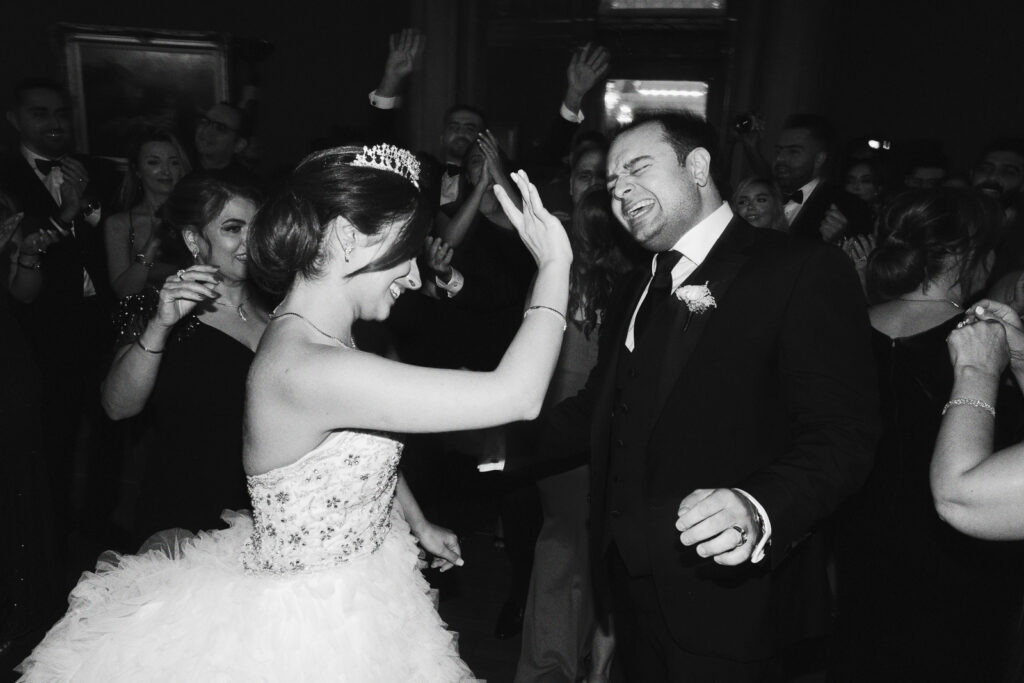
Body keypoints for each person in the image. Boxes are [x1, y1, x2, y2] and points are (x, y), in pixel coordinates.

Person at [18, 144, 572, 681]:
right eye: (405, 258)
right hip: (312, 626)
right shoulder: (309, 365)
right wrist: (554, 263)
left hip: (361, 591)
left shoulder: (315, 338)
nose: (411, 277)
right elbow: (516, 396)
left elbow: (358, 441)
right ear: (351, 240)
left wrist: (417, 520)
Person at [530, 112, 879, 680]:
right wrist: (497, 435)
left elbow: (844, 434)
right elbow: (602, 407)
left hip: (735, 597)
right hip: (631, 585)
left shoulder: (798, 269)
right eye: (612, 182)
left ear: (697, 166)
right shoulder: (634, 284)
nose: (620, 190)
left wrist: (761, 507)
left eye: (638, 168)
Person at [830, 189, 1022, 682]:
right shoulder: (982, 346)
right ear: (963, 255)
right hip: (961, 560)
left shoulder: (845, 328)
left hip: (856, 548)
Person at [100, 176, 265, 544]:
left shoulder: (281, 308)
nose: (249, 242)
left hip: (265, 511)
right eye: (233, 229)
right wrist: (160, 325)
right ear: (193, 240)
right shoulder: (156, 307)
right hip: (188, 514)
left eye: (257, 228)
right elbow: (117, 406)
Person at [515, 187, 633, 683]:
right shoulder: (622, 286)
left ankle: (560, 667)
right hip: (579, 436)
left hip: (562, 432)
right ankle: (558, 668)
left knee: (572, 551)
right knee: (577, 553)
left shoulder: (564, 282)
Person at [103, 129, 191, 299]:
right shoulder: (119, 224)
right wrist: (154, 242)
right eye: (154, 162)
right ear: (137, 170)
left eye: (173, 162)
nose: (166, 171)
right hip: (144, 321)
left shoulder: (196, 217)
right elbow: (123, 291)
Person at [772, 113, 872, 241]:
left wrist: (841, 239)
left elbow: (863, 257)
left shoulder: (847, 206)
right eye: (778, 151)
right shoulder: (763, 195)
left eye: (793, 152)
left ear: (819, 159)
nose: (780, 158)